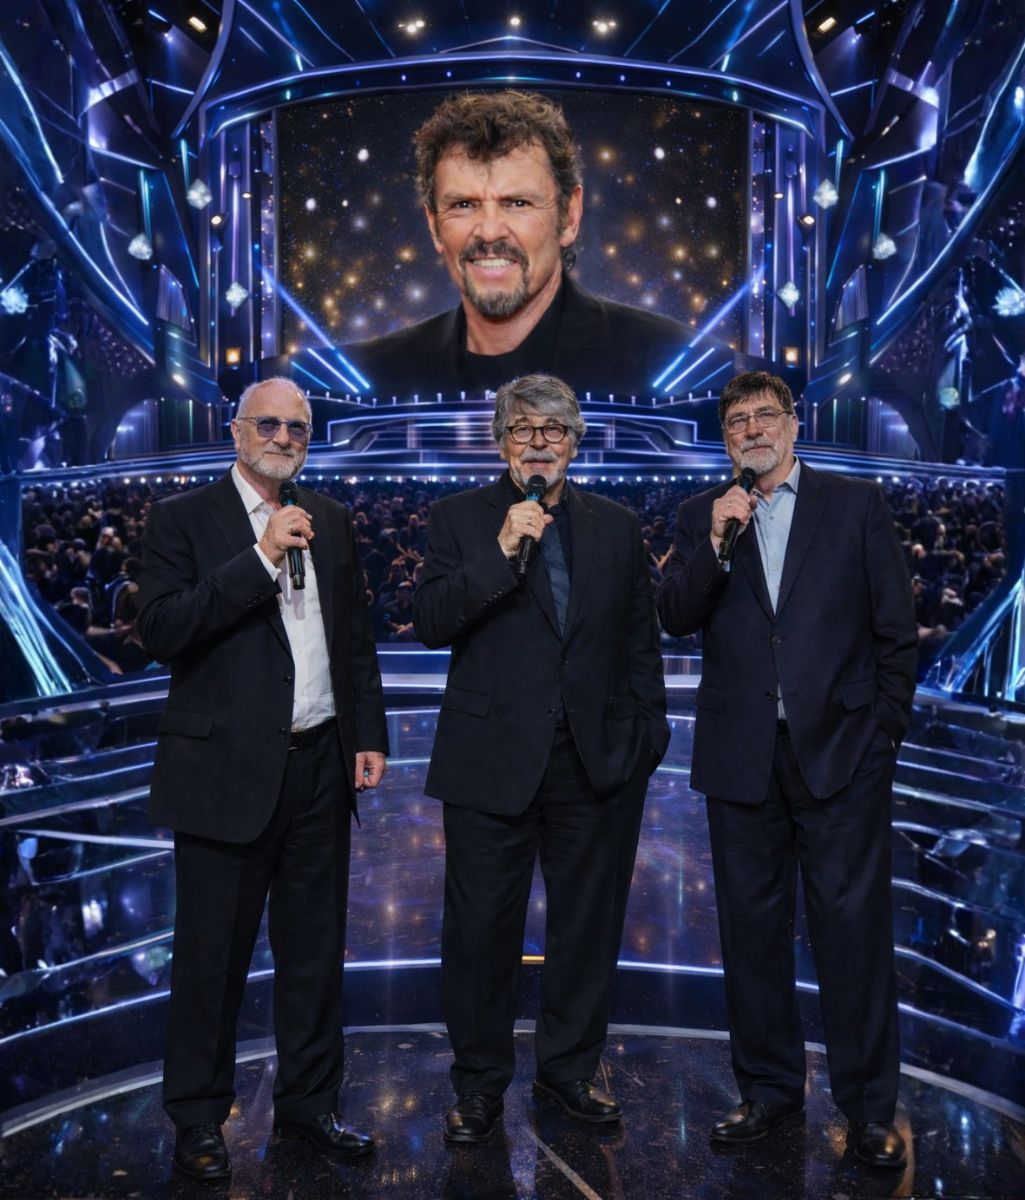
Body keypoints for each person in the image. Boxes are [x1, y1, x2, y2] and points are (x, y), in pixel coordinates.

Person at [656, 371, 917, 1168]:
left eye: (765, 415)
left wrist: (879, 740)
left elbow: (895, 635)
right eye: (736, 420)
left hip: (841, 757)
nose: (751, 429)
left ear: (793, 425)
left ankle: (868, 1110)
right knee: (751, 936)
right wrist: (713, 543)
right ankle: (768, 1092)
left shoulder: (854, 505)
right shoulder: (702, 514)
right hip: (740, 759)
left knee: (852, 936)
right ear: (724, 437)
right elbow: (674, 615)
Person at [137, 377, 389, 1181]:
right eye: (269, 424)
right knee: (211, 959)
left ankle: (310, 1108)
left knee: (314, 956)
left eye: (298, 427)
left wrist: (367, 732)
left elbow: (352, 637)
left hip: (320, 765)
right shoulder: (182, 519)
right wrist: (261, 555)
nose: (284, 437)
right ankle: (198, 1119)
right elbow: (162, 630)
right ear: (236, 431)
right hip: (224, 772)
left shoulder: (331, 519)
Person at [413, 373, 669, 1144]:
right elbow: (430, 620)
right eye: (522, 429)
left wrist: (645, 735)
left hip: (594, 764)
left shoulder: (616, 525)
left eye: (553, 430)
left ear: (574, 443)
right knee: (478, 933)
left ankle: (568, 1071)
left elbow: (639, 640)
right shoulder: (458, 519)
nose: (537, 443)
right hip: (490, 760)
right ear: (500, 442)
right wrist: (500, 551)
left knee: (587, 929)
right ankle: (478, 1085)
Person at [343, 91, 693, 398]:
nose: (489, 232)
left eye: (517, 203)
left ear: (569, 216)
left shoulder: (676, 365)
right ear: (434, 226)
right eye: (463, 204)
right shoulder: (365, 378)